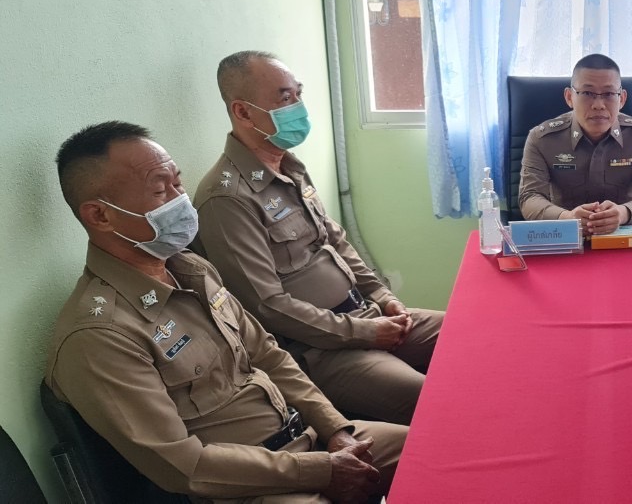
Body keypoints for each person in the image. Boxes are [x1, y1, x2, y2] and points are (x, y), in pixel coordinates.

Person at [47, 121, 404, 503]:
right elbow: (183, 465)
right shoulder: (99, 336)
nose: (181, 200)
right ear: (100, 216)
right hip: (246, 488)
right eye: (160, 190)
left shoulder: (191, 270)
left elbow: (268, 354)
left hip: (307, 440)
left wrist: (335, 430)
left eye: (178, 183)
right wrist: (318, 471)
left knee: (433, 448)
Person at [191, 51, 443, 426]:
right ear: (243, 112)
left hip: (366, 314)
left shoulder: (289, 167)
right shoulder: (227, 199)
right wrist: (364, 333)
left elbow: (336, 243)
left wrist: (383, 297)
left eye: (299, 94)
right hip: (321, 351)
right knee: (435, 397)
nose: (298, 107)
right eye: (285, 98)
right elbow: (268, 306)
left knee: (473, 335)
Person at [518, 53, 632, 234]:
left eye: (609, 94)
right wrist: (567, 218)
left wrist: (623, 213)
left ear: (622, 99)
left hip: (623, 233)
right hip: (566, 235)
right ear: (569, 97)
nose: (598, 105)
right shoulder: (542, 139)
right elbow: (530, 197)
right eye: (587, 93)